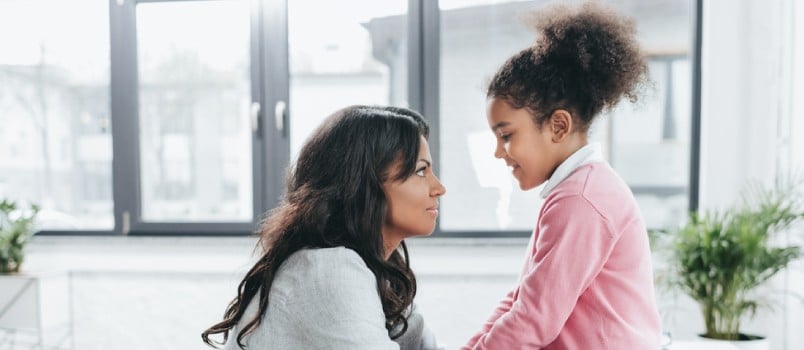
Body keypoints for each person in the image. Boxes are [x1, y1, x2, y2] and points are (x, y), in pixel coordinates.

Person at [463, 2, 661, 349]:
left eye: (506, 135)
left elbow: (532, 320)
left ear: (558, 126)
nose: (498, 152)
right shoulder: (576, 190)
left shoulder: (581, 199)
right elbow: (523, 298)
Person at [202, 105, 445, 350]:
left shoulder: (379, 270)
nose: (439, 188)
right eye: (421, 171)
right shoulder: (329, 269)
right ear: (365, 183)